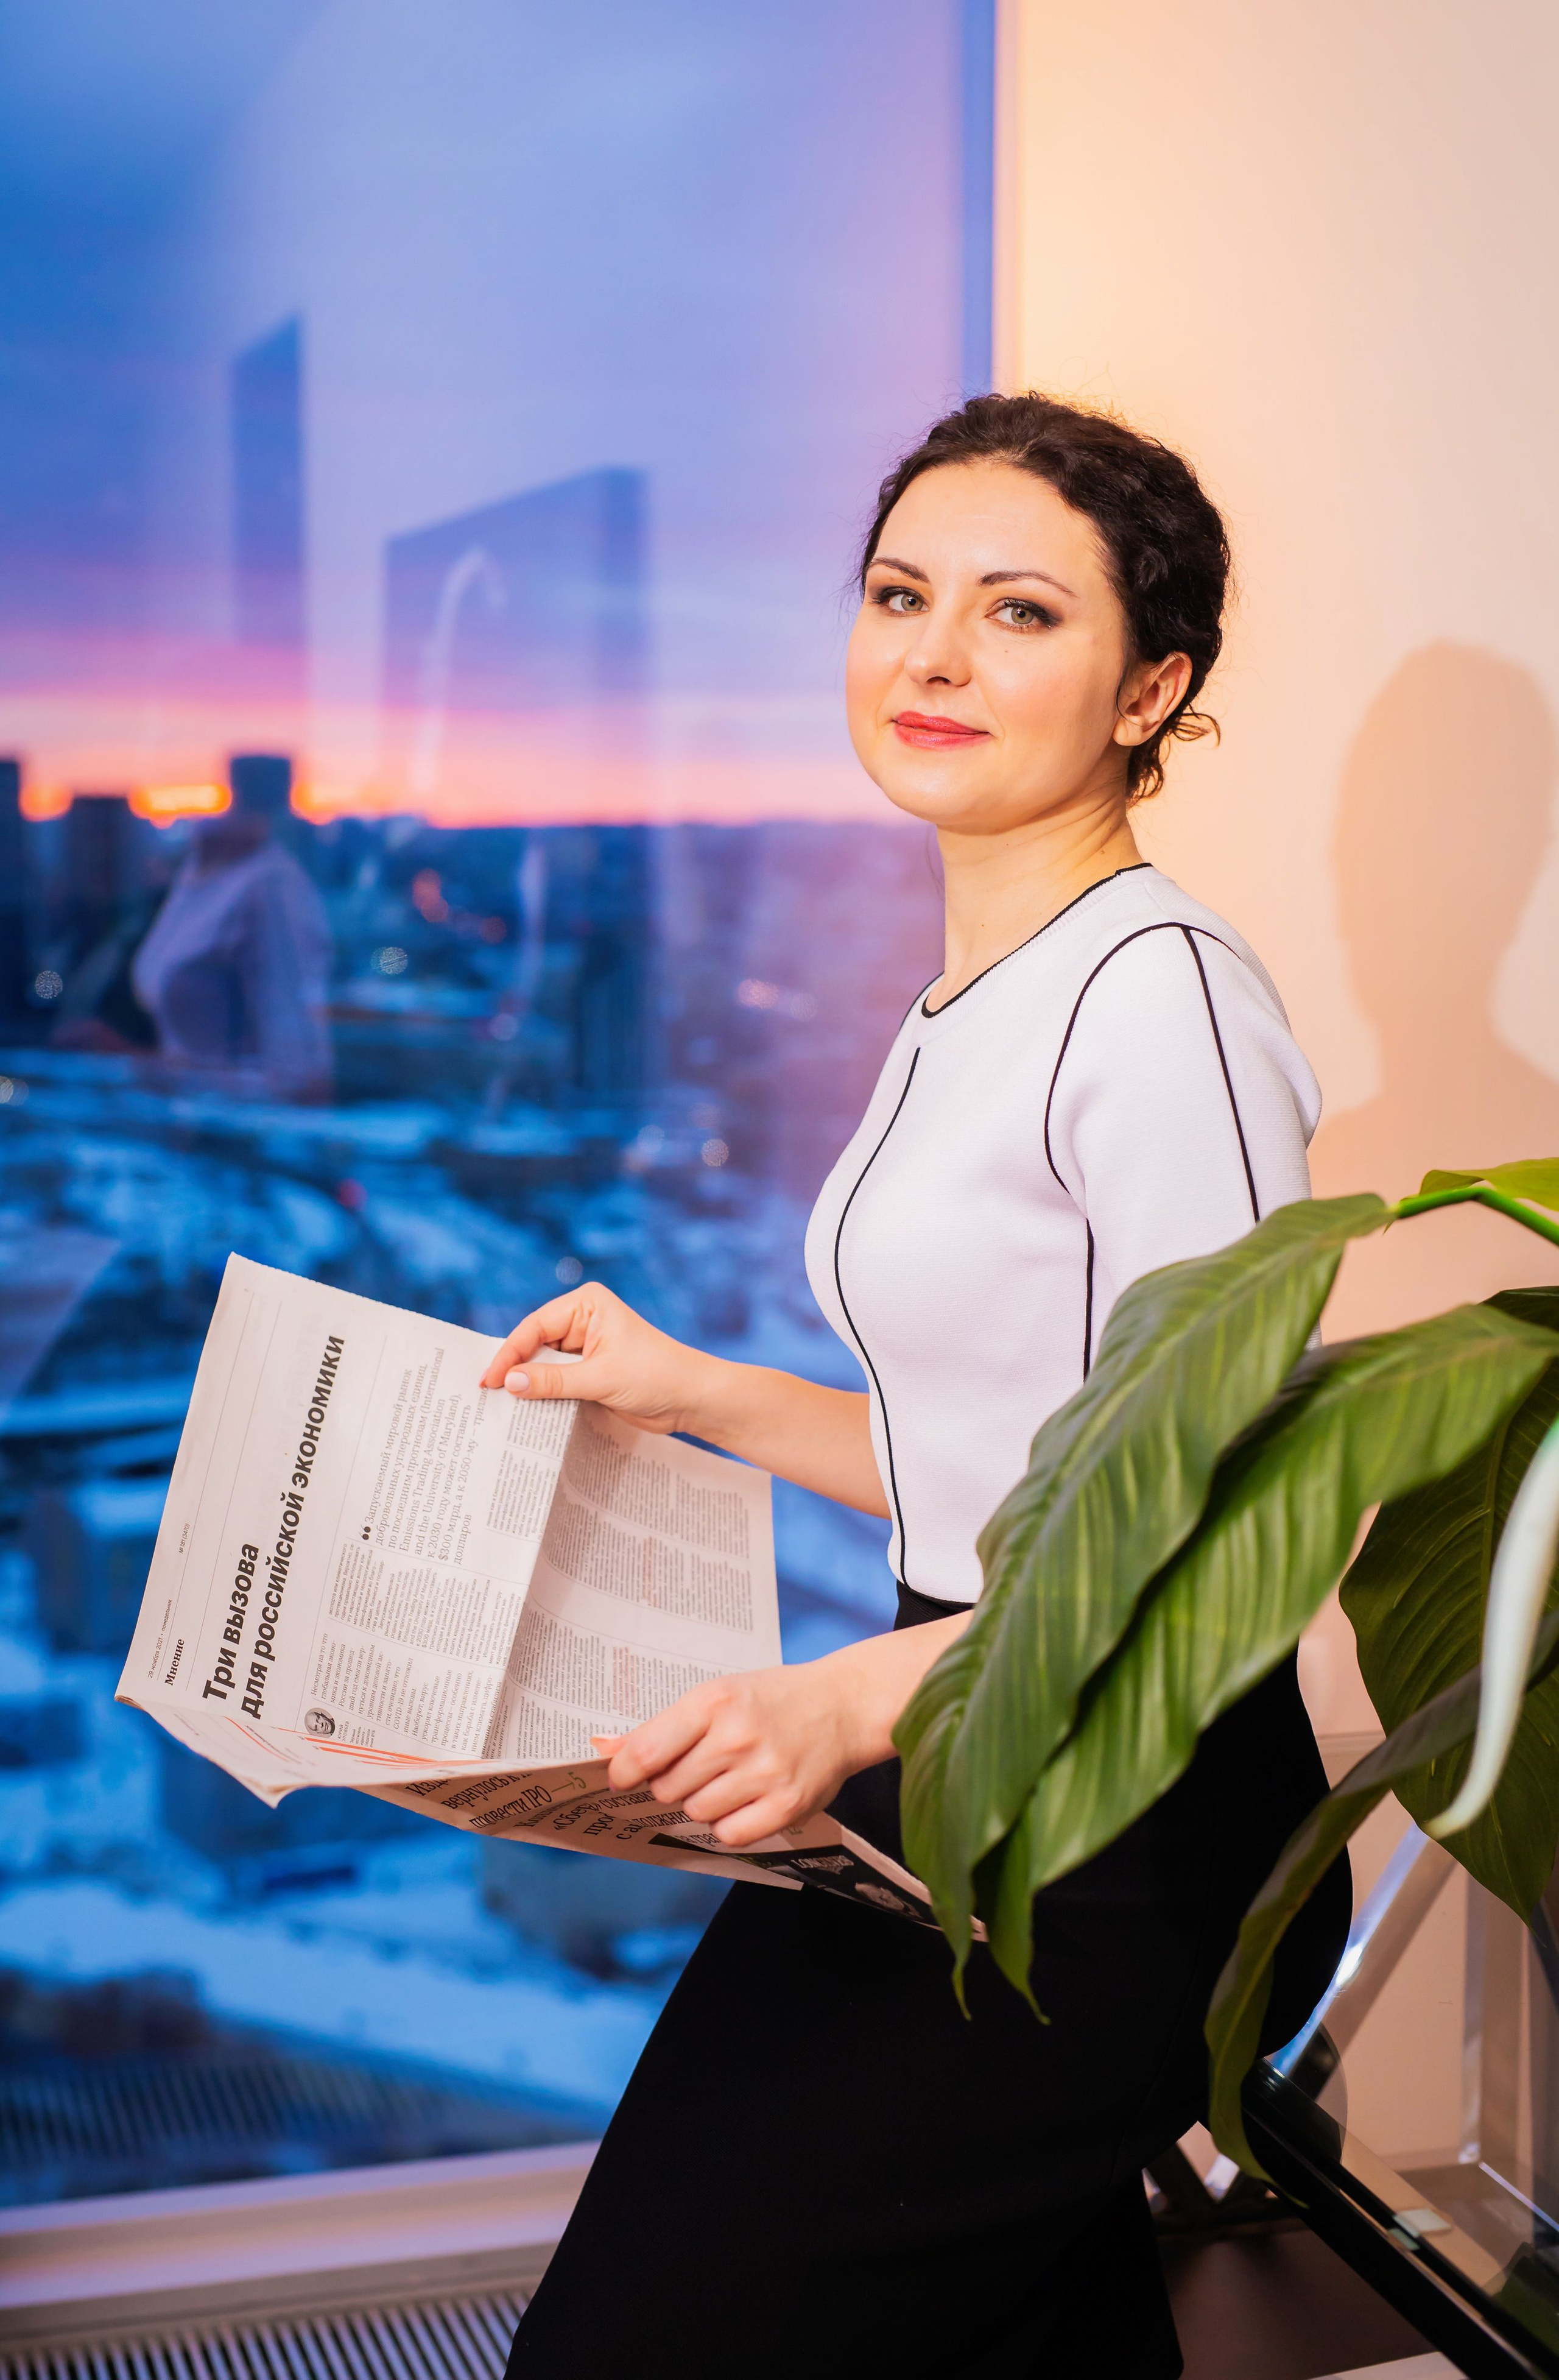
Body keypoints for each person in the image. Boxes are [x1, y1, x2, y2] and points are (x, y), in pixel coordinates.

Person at [484, 394, 1351, 2378]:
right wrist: (686, 1382)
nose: (935, 653)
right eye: (900, 594)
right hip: (965, 1749)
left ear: (1154, 687)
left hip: (1130, 1823)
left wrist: (848, 1693)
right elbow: (1004, 1456)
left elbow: (1207, 1497)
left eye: (1020, 612)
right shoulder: (979, 992)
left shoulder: (1164, 996)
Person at [132, 753, 333, 1101]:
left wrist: (136, 1064)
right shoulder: (202, 876)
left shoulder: (269, 889)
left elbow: (300, 1078)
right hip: (188, 1128)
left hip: (233, 1136)